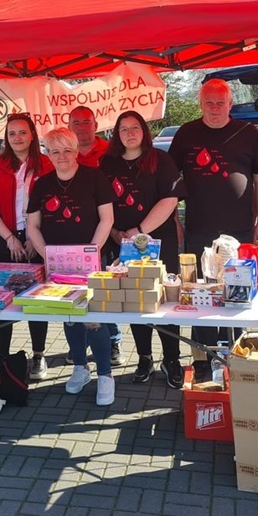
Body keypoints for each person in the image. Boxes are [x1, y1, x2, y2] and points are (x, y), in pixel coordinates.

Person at [167, 79, 258, 377]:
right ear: (200, 105)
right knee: (201, 298)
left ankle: (239, 356)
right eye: (208, 103)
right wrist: (174, 220)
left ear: (230, 104)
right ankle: (202, 360)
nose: (214, 108)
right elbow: (170, 182)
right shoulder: (186, 133)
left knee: (238, 297)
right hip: (199, 230)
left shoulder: (247, 133)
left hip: (240, 232)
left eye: (220, 103)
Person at [26, 127, 117, 405]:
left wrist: (93, 250)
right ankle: (80, 367)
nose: (62, 156)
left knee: (93, 319)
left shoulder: (94, 177)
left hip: (90, 261)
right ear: (48, 155)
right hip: (59, 267)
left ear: (76, 151)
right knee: (70, 316)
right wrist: (47, 255)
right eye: (55, 151)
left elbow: (107, 219)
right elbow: (32, 225)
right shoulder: (42, 184)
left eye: (67, 150)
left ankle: (105, 375)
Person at [100, 111, 185, 388]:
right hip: (121, 242)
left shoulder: (160, 159)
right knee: (133, 301)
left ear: (144, 131)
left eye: (135, 127)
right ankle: (144, 357)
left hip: (158, 240)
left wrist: (138, 232)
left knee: (165, 300)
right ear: (117, 135)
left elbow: (170, 199)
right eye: (123, 129)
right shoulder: (107, 163)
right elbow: (102, 203)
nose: (130, 133)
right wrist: (114, 233)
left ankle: (171, 359)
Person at [0, 113, 54, 380]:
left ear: (32, 135)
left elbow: (53, 202)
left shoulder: (46, 164)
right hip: (3, 240)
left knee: (38, 301)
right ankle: (2, 356)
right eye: (12, 133)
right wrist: (10, 238)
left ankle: (39, 355)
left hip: (38, 240)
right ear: (6, 138)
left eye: (22, 132)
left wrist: (35, 239)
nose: (17, 138)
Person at [68, 105, 123, 366]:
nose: (81, 127)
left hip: (109, 232)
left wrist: (112, 229)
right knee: (76, 292)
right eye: (76, 123)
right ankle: (78, 345)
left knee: (104, 292)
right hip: (75, 238)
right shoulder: (66, 155)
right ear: (69, 126)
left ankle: (112, 341)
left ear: (96, 123)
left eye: (86, 122)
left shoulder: (111, 151)